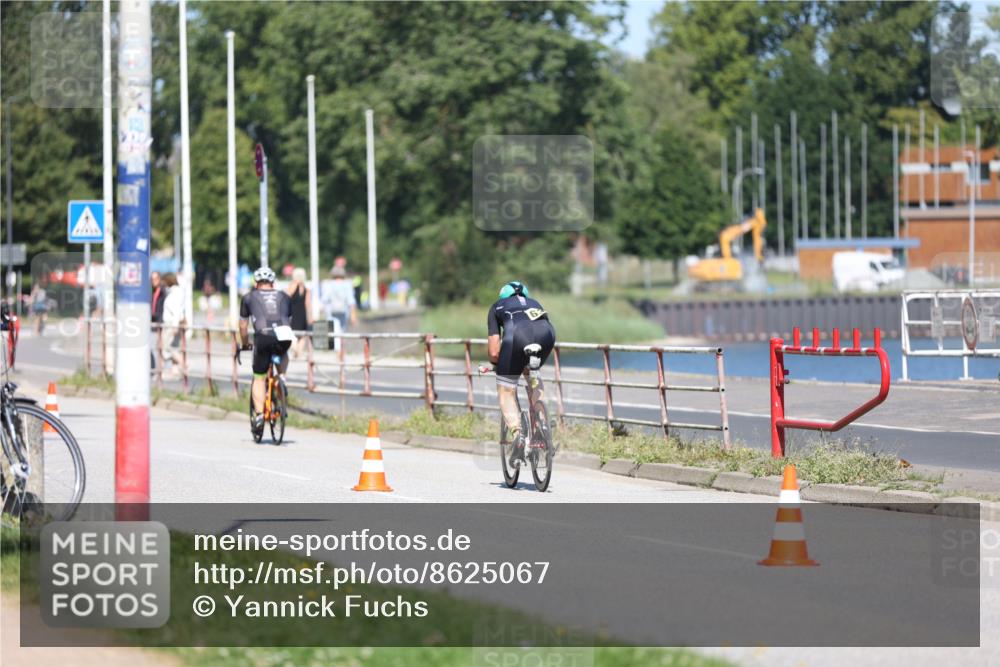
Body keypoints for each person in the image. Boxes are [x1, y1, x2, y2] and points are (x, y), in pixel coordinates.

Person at [484, 281, 556, 468]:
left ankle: (518, 436)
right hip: (547, 335)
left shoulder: (497, 307)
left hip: (517, 336)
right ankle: (543, 424)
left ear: (503, 296)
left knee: (506, 390)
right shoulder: (535, 303)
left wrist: (498, 365)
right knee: (532, 374)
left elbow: (494, 352)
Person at [239, 266, 293, 432]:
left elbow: (243, 326)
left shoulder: (248, 297)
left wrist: (245, 343)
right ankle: (281, 379)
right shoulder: (285, 296)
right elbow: (289, 321)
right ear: (273, 282)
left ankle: (260, 415)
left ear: (256, 283)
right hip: (284, 336)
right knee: (281, 352)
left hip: (263, 336)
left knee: (259, 378)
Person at [321, 265, 357, 350]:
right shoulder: (347, 284)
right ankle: (341, 351)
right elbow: (351, 301)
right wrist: (353, 314)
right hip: (344, 312)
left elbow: (324, 299)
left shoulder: (329, 284)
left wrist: (321, 311)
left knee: (333, 334)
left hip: (331, 312)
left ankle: (335, 351)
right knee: (342, 333)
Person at [160, 273, 186, 379]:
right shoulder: (175, 291)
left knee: (168, 348)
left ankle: (184, 364)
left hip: (171, 323)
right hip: (173, 323)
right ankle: (175, 372)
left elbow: (176, 311)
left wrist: (175, 326)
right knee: (174, 347)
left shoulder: (175, 293)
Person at [285, 267, 313, 359]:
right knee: (300, 335)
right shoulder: (305, 289)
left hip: (295, 314)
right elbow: (308, 305)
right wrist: (310, 317)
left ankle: (297, 351)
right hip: (300, 314)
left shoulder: (295, 286)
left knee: (298, 335)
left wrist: (310, 318)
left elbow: (287, 297)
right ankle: (298, 352)